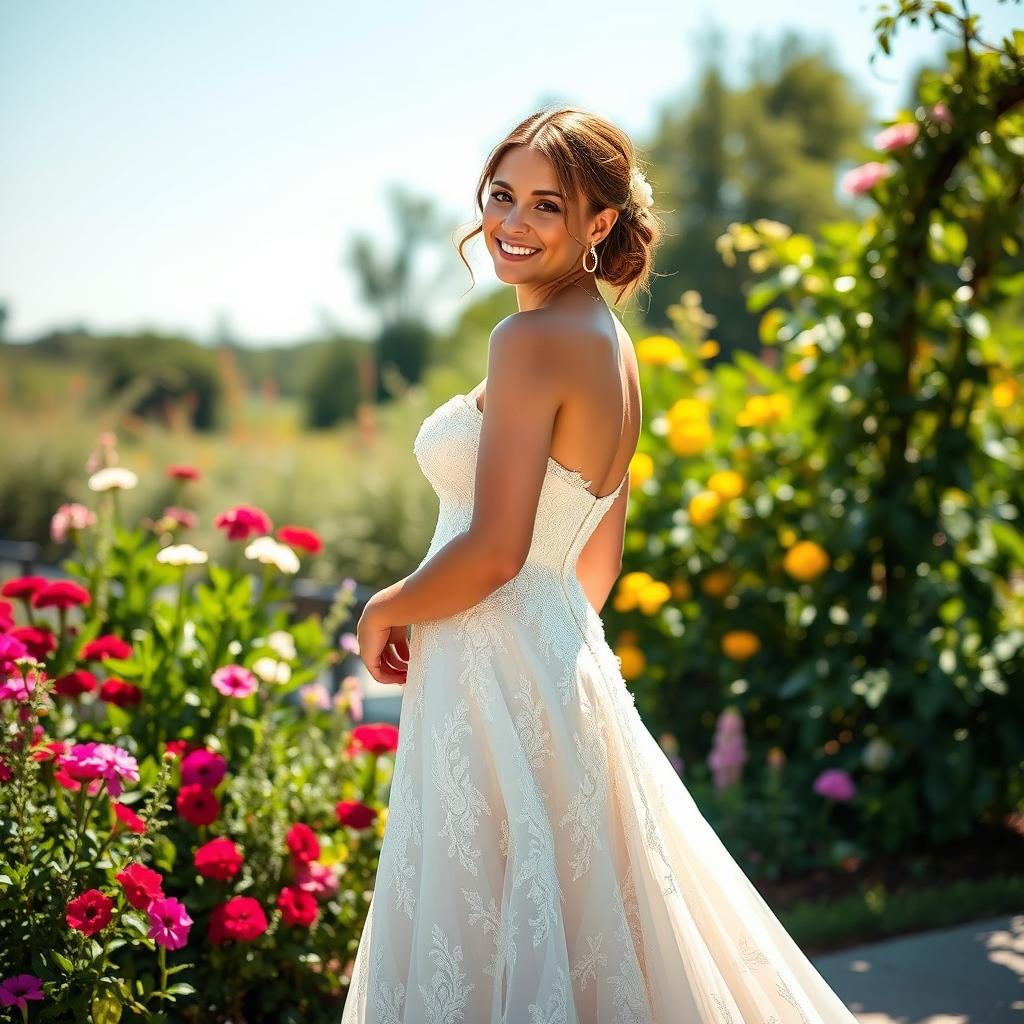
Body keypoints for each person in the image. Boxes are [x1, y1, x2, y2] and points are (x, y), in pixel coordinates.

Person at [343, 105, 860, 1023]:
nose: (513, 221)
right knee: (587, 932)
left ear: (600, 224)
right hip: (552, 658)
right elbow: (597, 559)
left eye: (549, 204)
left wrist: (389, 605)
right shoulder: (611, 344)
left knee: (501, 924)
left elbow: (498, 550)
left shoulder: (528, 341)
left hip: (499, 658)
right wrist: (544, 666)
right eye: (503, 195)